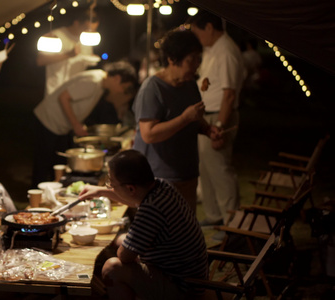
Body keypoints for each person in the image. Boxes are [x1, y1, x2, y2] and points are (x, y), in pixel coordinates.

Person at [78, 149, 208, 299]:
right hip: (189, 272)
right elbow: (133, 200)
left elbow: (124, 256)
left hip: (183, 287)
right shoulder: (162, 186)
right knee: (119, 239)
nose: (110, 187)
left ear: (131, 188)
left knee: (112, 267)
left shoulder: (150, 210)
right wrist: (100, 191)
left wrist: (126, 247)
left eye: (111, 183)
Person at [131, 29, 219, 211]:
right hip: (159, 178)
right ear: (172, 59)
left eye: (198, 59)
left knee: (186, 232)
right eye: (191, 59)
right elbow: (149, 134)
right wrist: (185, 118)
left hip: (187, 173)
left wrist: (208, 130)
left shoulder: (190, 84)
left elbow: (194, 119)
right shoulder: (152, 88)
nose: (196, 65)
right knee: (164, 235)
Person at [32, 61, 138, 186]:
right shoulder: (93, 80)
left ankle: (51, 196)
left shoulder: (101, 84)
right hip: (48, 120)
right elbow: (63, 97)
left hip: (59, 126)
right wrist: (76, 124)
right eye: (124, 87)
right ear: (117, 78)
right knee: (43, 166)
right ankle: (36, 200)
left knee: (57, 165)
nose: (122, 91)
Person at [188, 11, 245, 234]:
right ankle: (214, 215)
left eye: (197, 32)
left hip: (218, 116)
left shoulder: (226, 51)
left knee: (220, 169)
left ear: (209, 27)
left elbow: (229, 94)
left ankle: (232, 222)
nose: (197, 37)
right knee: (206, 167)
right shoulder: (212, 49)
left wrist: (220, 126)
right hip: (207, 115)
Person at [36, 6, 101, 96]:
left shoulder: (88, 38)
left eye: (94, 30)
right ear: (76, 23)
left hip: (74, 90)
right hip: (56, 89)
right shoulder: (55, 36)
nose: (91, 32)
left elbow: (85, 57)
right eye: (87, 28)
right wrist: (68, 55)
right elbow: (40, 60)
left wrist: (90, 58)